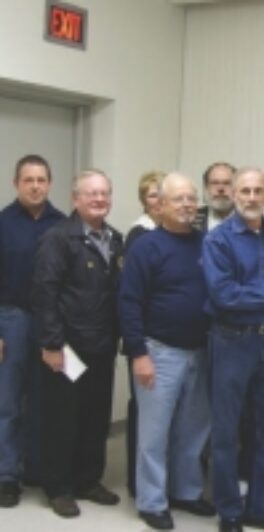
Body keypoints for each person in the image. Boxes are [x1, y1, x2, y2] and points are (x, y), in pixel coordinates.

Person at [203, 166, 264, 532]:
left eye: (258, 191)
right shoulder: (219, 240)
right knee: (227, 431)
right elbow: (224, 295)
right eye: (244, 191)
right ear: (232, 195)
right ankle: (229, 511)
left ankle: (261, 508)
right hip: (231, 340)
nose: (250, 197)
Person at [118, 173, 214, 530]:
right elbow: (128, 303)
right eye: (179, 199)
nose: (187, 205)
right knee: (154, 433)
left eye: (191, 198)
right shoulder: (146, 246)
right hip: (159, 352)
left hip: (201, 351)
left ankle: (186, 492)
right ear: (161, 203)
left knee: (193, 431)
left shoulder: (207, 243)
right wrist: (138, 354)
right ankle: (152, 501)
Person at [31, 169, 123, 518]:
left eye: (105, 193)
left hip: (101, 345)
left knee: (95, 417)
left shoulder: (116, 239)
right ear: (76, 199)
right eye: (92, 194)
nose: (99, 199)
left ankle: (88, 480)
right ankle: (58, 487)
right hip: (67, 347)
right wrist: (52, 344)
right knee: (63, 418)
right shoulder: (58, 238)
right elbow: (45, 293)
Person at [0, 154, 65, 507]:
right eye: (29, 180)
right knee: (7, 401)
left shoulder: (64, 223)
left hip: (52, 322)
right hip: (11, 319)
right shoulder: (2, 222)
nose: (36, 186)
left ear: (50, 184)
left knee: (46, 399)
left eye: (42, 179)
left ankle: (37, 468)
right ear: (16, 184)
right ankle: (7, 475)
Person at [123, 169, 165, 497]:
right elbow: (133, 295)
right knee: (144, 411)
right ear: (145, 200)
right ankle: (139, 484)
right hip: (146, 340)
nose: (160, 201)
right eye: (153, 195)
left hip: (169, 341)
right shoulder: (140, 236)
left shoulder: (179, 234)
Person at [126, 170, 165, 249]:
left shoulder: (176, 229)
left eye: (163, 194)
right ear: (144, 202)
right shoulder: (138, 234)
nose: (160, 200)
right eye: (153, 196)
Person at [194, 162, 236, 232]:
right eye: (215, 183)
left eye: (227, 183)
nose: (220, 189)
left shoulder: (249, 221)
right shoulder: (192, 219)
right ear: (206, 188)